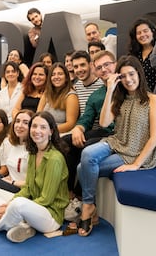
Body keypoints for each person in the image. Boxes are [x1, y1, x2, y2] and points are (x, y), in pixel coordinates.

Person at [77, 55, 156, 237]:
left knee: (81, 168)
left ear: (139, 74)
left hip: (133, 152)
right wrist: (110, 90)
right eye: (123, 76)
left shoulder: (153, 99)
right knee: (87, 154)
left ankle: (88, 208)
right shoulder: (120, 98)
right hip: (116, 142)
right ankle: (89, 205)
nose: (128, 80)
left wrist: (136, 165)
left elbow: (155, 137)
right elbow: (104, 122)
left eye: (131, 74)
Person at [0, 111, 69, 243]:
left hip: (50, 215)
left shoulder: (54, 159)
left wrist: (10, 207)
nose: (37, 130)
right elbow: (28, 188)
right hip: (30, 206)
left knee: (18, 204)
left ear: (51, 131)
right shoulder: (33, 153)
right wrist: (8, 204)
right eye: (34, 126)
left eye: (43, 127)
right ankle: (22, 226)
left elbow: (46, 199)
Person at [63, 50, 116, 200]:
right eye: (99, 67)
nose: (103, 70)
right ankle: (69, 193)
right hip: (101, 131)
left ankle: (81, 197)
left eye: (107, 65)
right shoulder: (96, 95)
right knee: (65, 142)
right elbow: (86, 118)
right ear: (95, 69)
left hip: (117, 136)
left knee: (88, 146)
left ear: (115, 65)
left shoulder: (126, 86)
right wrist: (78, 128)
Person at [37, 62, 79, 134]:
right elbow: (38, 115)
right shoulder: (47, 93)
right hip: (42, 132)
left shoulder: (71, 96)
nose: (56, 77)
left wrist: (49, 131)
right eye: (53, 74)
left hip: (60, 134)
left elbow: (70, 124)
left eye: (60, 74)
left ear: (66, 78)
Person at [128, 18, 156, 92]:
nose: (142, 35)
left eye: (145, 31)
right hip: (138, 97)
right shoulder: (133, 55)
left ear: (152, 32)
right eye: (139, 33)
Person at [72, 50, 103, 119]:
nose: (79, 69)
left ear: (91, 65)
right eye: (76, 67)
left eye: (82, 65)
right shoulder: (76, 87)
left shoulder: (103, 85)